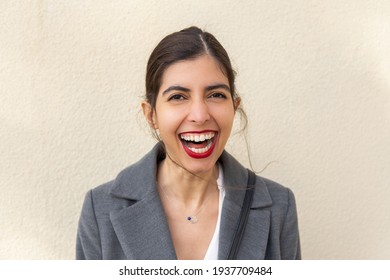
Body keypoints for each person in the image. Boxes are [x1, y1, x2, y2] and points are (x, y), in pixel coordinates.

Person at [76, 26, 301, 260]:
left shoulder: (279, 206)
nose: (200, 115)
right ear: (151, 114)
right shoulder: (100, 210)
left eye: (216, 95)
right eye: (178, 97)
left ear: (234, 107)